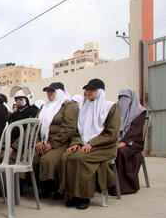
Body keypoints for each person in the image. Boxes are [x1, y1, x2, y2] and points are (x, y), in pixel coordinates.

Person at [58, 78, 121, 210]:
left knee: (81, 158)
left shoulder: (110, 107)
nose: (88, 91)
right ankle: (72, 195)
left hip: (104, 147)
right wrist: (77, 143)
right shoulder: (84, 108)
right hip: (86, 145)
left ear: (100, 91)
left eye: (92, 89)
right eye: (87, 89)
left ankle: (83, 197)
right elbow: (78, 131)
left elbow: (112, 134)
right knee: (66, 156)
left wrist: (92, 143)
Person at [33, 82, 79, 199]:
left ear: (60, 92)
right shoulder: (45, 107)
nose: (49, 93)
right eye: (48, 91)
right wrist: (37, 141)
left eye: (52, 91)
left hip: (61, 143)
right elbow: (34, 125)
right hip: (43, 142)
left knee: (48, 159)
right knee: (33, 158)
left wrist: (51, 144)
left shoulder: (68, 105)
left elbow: (69, 127)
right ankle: (42, 187)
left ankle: (56, 188)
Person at [114, 88, 147, 195]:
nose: (123, 101)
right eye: (121, 98)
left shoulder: (139, 112)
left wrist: (125, 141)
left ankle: (125, 186)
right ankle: (110, 184)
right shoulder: (116, 109)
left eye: (126, 98)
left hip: (134, 142)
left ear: (132, 98)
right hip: (118, 140)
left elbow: (135, 130)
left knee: (122, 152)